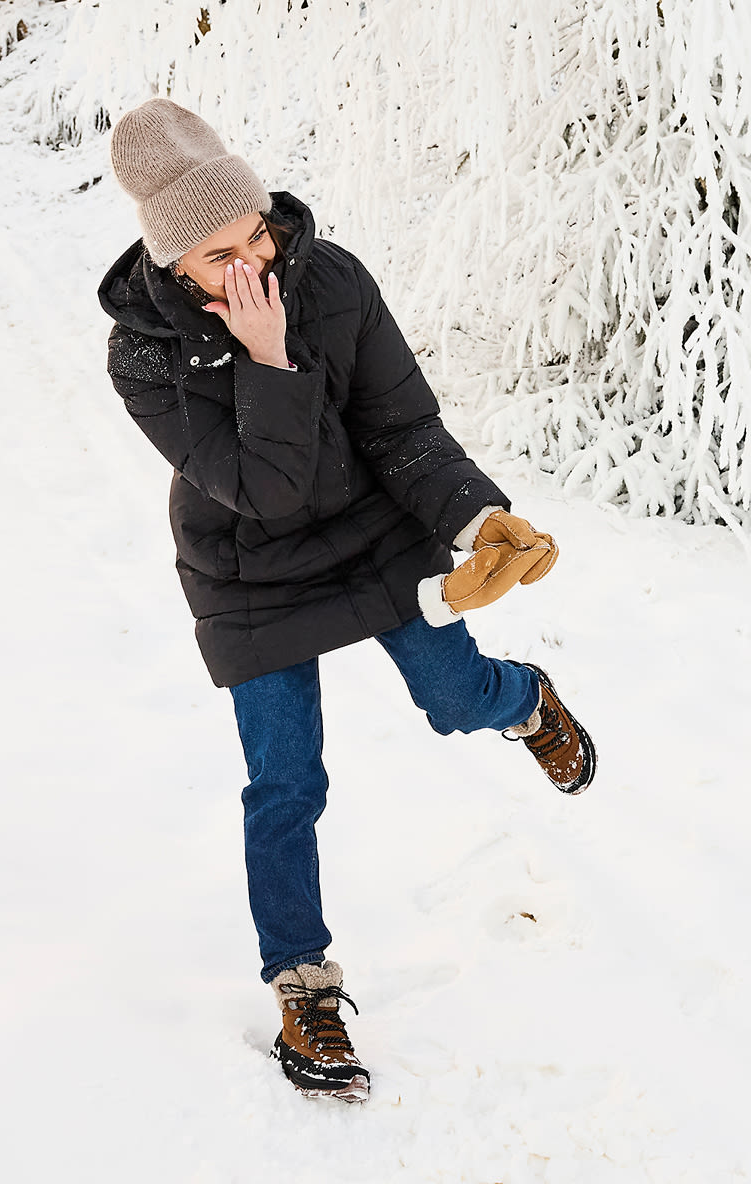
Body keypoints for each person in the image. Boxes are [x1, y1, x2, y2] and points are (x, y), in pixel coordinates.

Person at [99, 98, 596, 1104]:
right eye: (219, 255)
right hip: (247, 574)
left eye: (258, 235)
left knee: (457, 701)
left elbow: (401, 425)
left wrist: (473, 523)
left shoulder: (328, 278)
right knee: (285, 784)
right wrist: (269, 360)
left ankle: (526, 701)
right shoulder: (144, 355)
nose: (255, 266)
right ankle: (303, 986)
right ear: (171, 264)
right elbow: (263, 492)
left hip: (374, 534)